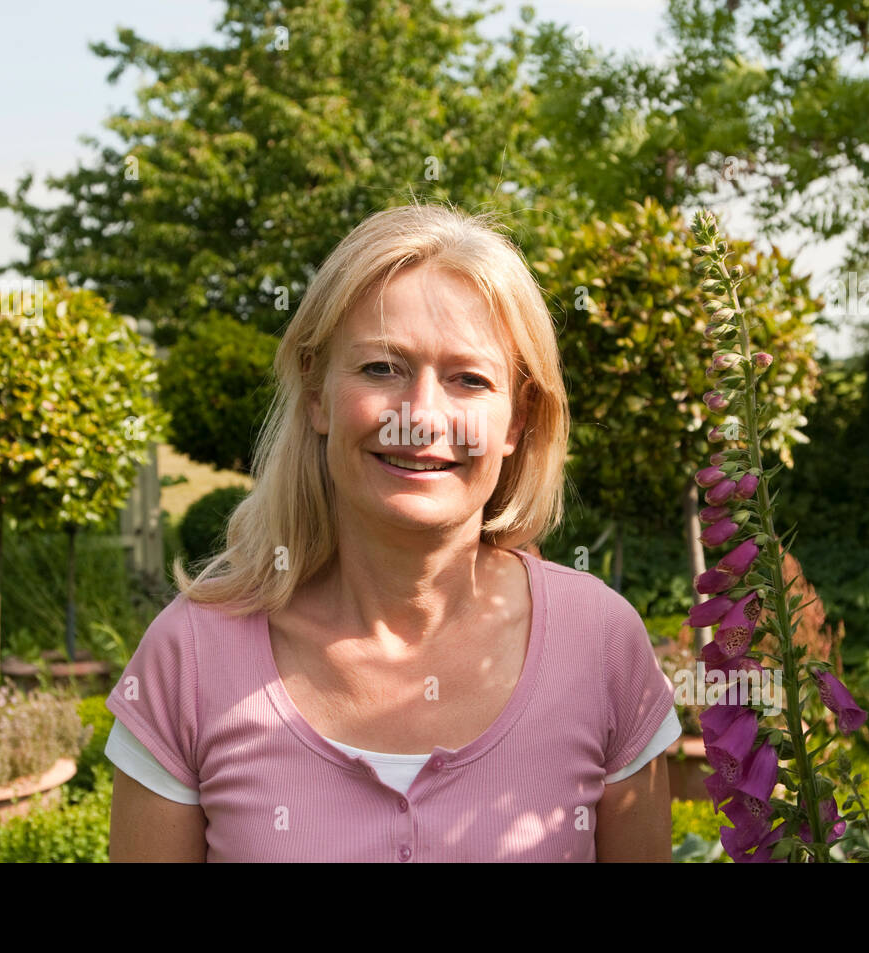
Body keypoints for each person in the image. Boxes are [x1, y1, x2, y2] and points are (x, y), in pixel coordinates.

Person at [105, 201, 680, 862]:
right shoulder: (192, 657)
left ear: (517, 420)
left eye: (469, 379)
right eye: (383, 368)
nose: (421, 417)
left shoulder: (602, 645)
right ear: (317, 392)